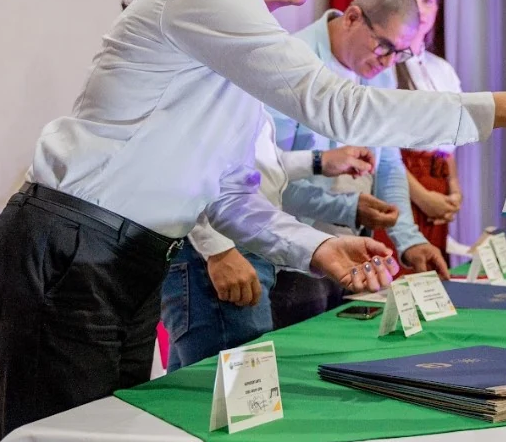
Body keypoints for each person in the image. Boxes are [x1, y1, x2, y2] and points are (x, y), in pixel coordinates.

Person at [0, 0, 506, 440]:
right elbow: (339, 106)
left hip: (125, 261)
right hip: (68, 247)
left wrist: (317, 247)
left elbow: (233, 193)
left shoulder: (244, 38)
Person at [270, 0, 449, 327]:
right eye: (384, 47)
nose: (388, 62)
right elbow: (270, 180)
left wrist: (409, 240)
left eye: (400, 53)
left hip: (353, 248)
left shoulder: (380, 74)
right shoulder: (293, 62)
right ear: (352, 17)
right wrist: (350, 208)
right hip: (293, 256)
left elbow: (388, 162)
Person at [160, 112, 377, 372]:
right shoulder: (211, 77)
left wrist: (317, 162)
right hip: (215, 251)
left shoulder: (239, 85)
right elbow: (181, 158)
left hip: (238, 243)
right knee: (234, 393)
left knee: (189, 390)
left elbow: (255, 164)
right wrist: (217, 249)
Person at [385, 0, 463, 260]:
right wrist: (422, 197)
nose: (421, 7)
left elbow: (451, 141)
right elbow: (382, 150)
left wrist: (453, 191)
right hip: (400, 188)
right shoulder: (383, 66)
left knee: (434, 287)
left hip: (438, 181)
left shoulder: (442, 69)